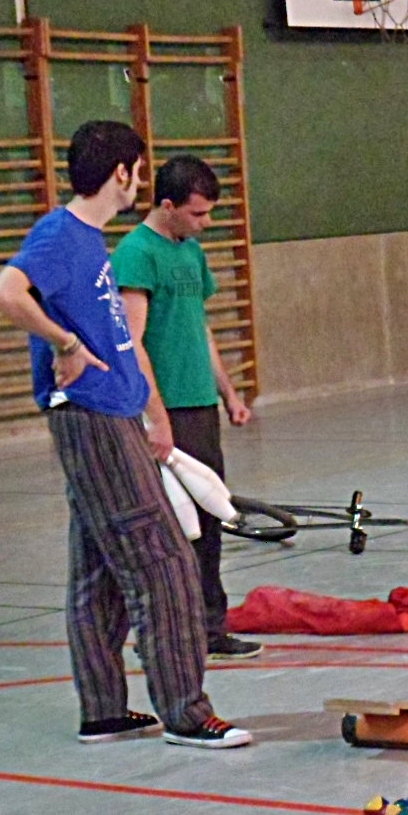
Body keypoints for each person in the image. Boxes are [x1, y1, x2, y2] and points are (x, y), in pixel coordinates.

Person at [0, 120, 252, 749]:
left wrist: (150, 414)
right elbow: (4, 292)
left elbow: (117, 337)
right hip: (92, 418)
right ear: (122, 173)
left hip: (117, 413)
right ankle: (187, 713)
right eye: (137, 168)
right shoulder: (61, 234)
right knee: (165, 564)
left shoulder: (89, 240)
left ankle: (103, 710)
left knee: (100, 572)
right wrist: (64, 343)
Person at [112, 155, 260, 663]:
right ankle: (165, 627)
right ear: (168, 205)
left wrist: (229, 393)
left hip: (199, 405)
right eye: (198, 213)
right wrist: (155, 416)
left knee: (209, 520)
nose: (206, 223)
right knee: (171, 527)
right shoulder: (136, 254)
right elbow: (132, 341)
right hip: (167, 408)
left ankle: (209, 625)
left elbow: (199, 327)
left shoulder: (191, 252)